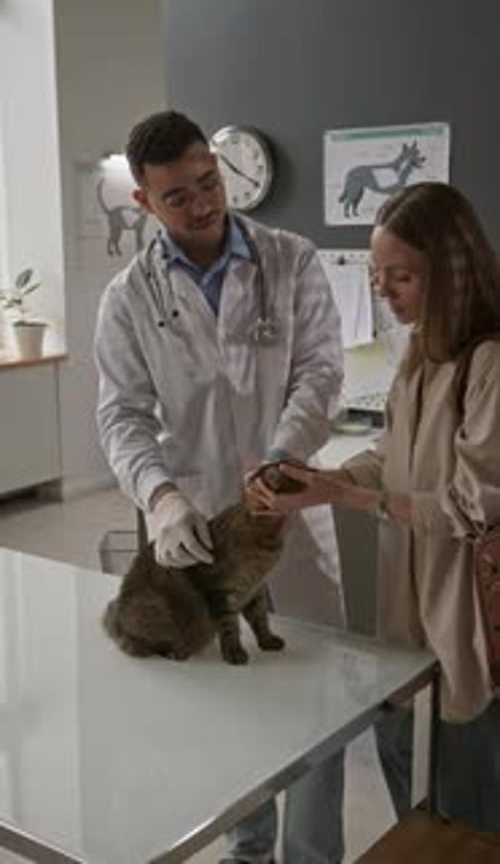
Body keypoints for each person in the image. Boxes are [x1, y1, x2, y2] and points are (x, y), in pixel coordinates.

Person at [94, 110, 346, 864]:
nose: (204, 203)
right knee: (226, 702)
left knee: (314, 698)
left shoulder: (290, 260)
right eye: (179, 196)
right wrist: (161, 498)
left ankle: (310, 854)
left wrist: (279, 456)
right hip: (192, 526)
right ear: (143, 202)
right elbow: (122, 417)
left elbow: (323, 373)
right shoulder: (128, 299)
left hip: (286, 514)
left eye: (210, 182)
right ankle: (248, 847)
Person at [256, 181, 500, 834]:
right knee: (409, 774)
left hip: (465, 622)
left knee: (465, 818)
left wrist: (355, 495)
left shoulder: (489, 363)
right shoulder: (420, 353)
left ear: (452, 272)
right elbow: (391, 459)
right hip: (406, 618)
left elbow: (473, 506)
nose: (384, 293)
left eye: (402, 276)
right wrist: (319, 478)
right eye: (376, 275)